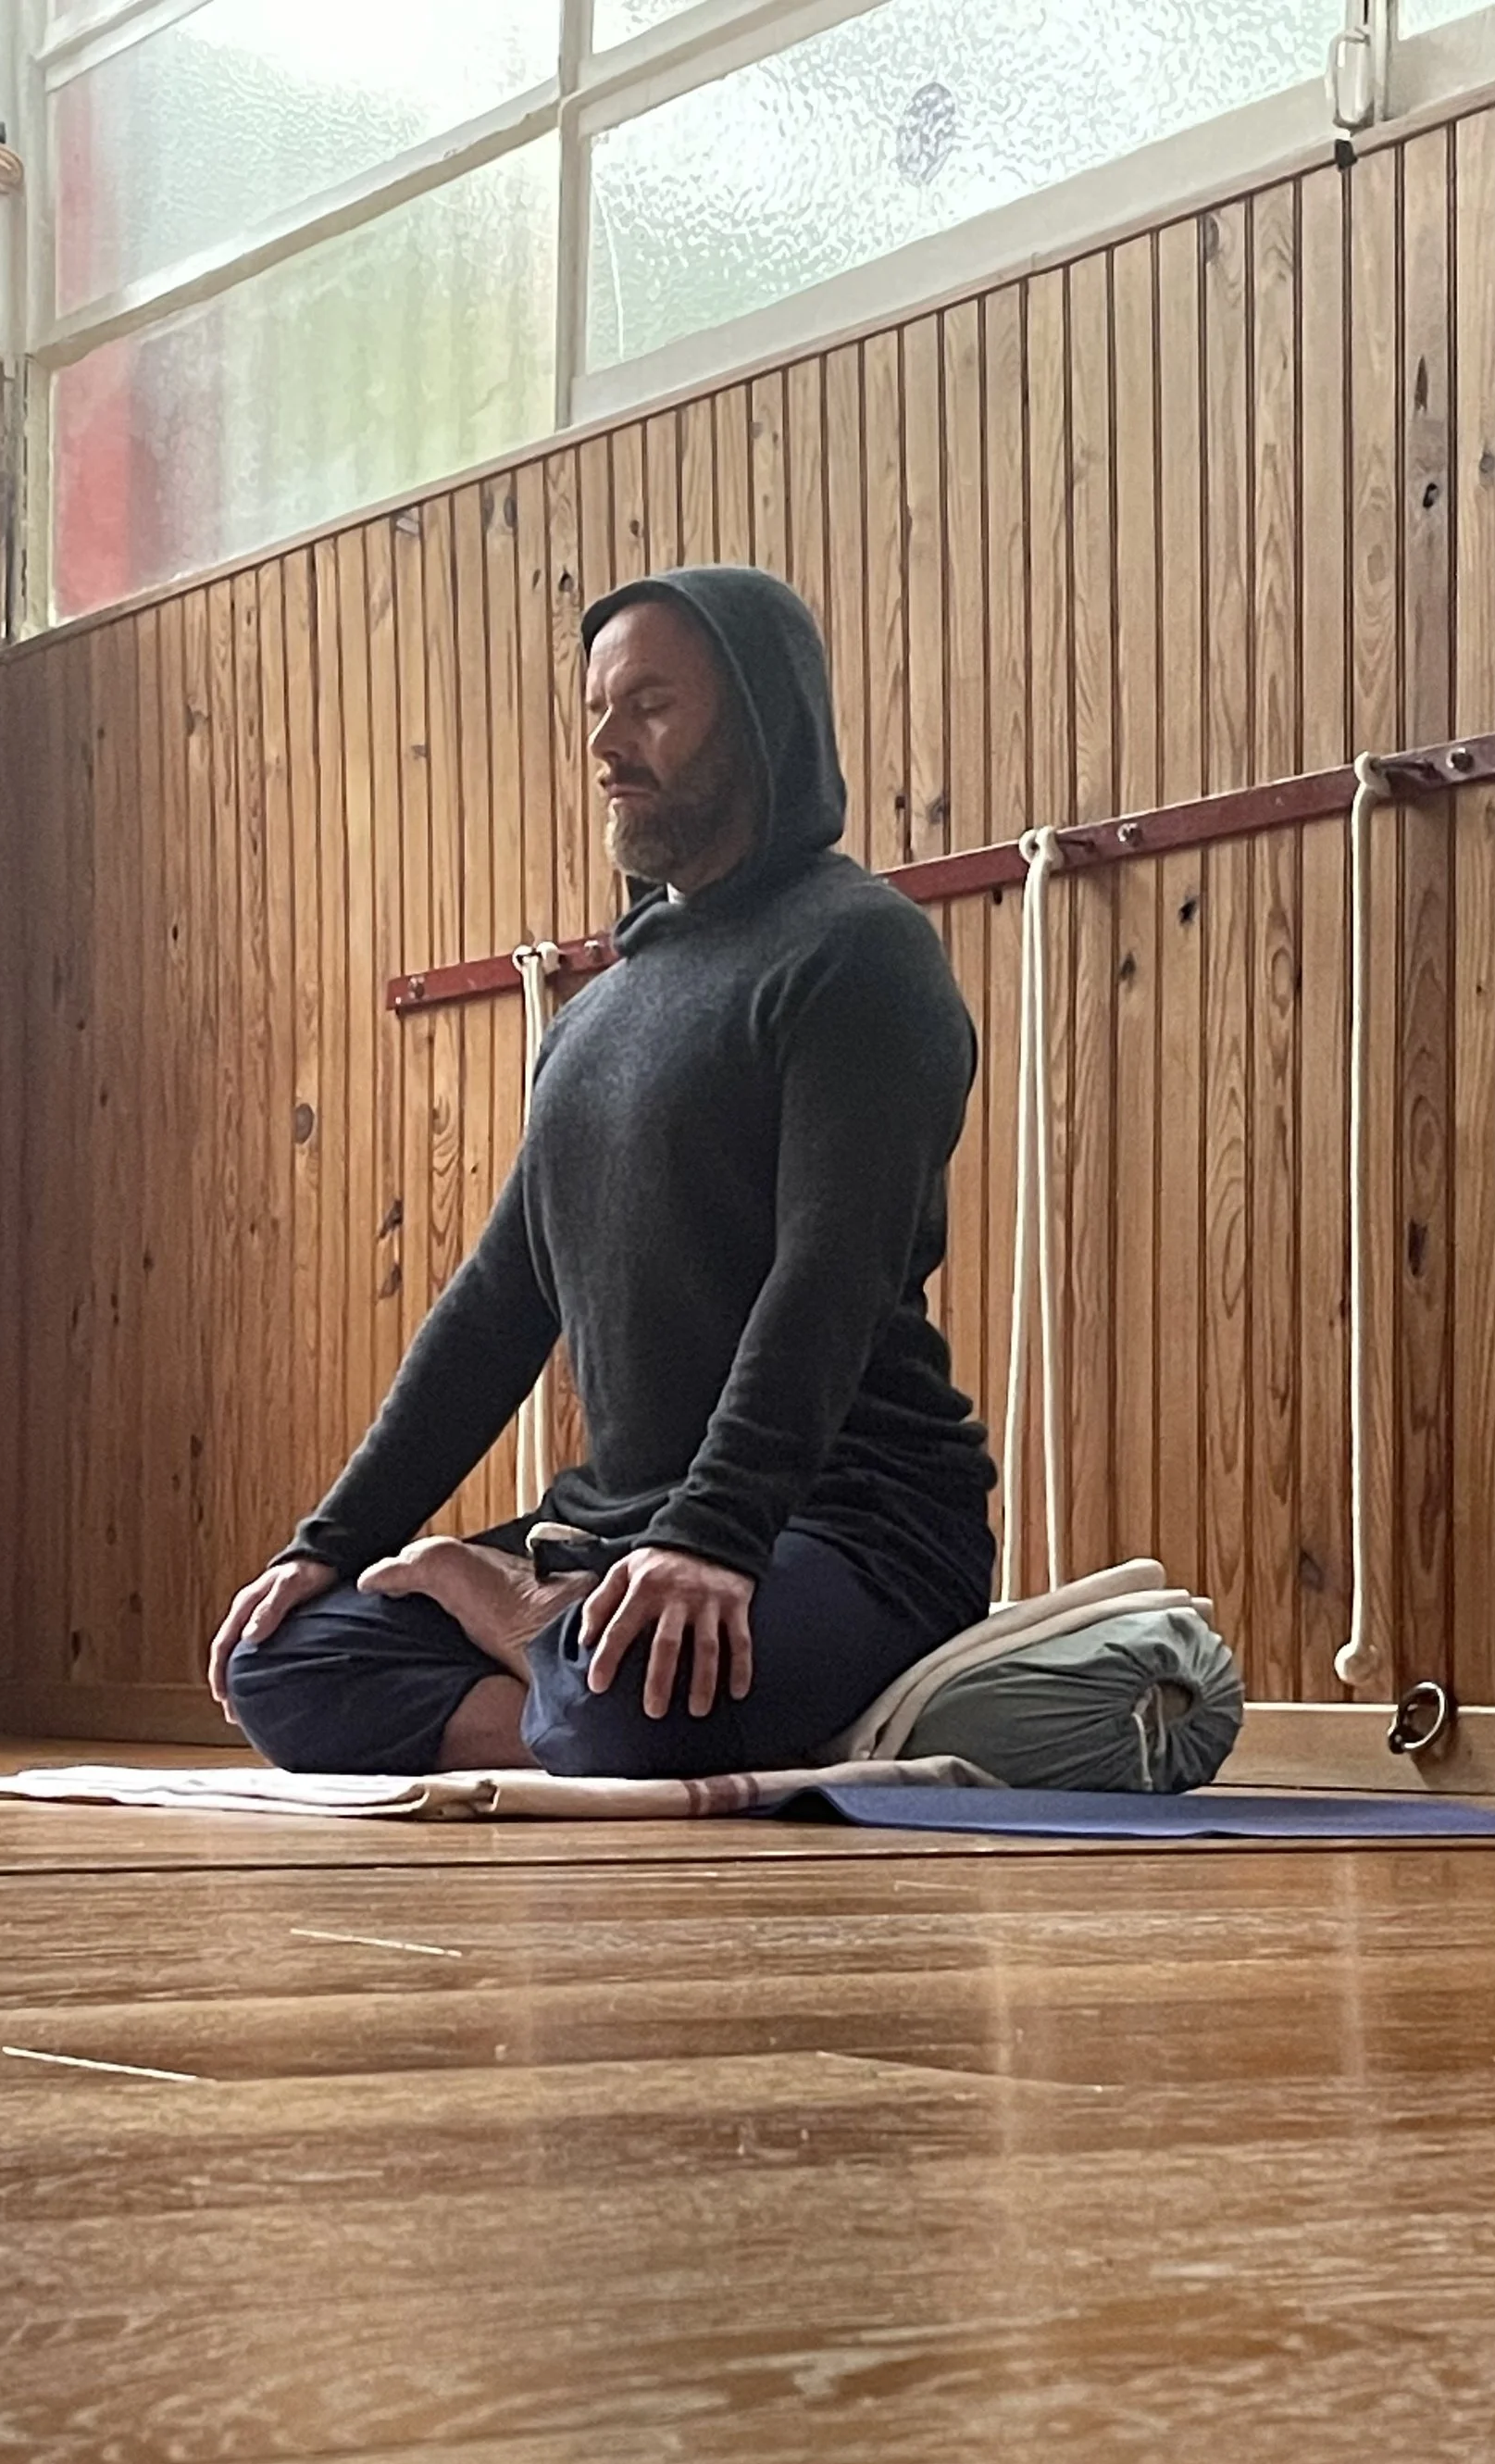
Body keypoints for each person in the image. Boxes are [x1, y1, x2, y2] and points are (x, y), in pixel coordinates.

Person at [208, 563, 997, 1778]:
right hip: (615, 1528)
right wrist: (332, 1538)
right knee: (290, 1662)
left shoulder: (860, 957)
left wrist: (717, 1537)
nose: (608, 746)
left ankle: (551, 1645)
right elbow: (493, 1312)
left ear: (760, 719)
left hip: (844, 1522)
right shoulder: (592, 1018)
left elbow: (827, 1277)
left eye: (651, 707)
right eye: (598, 711)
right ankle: (581, 1667)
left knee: (638, 1707)